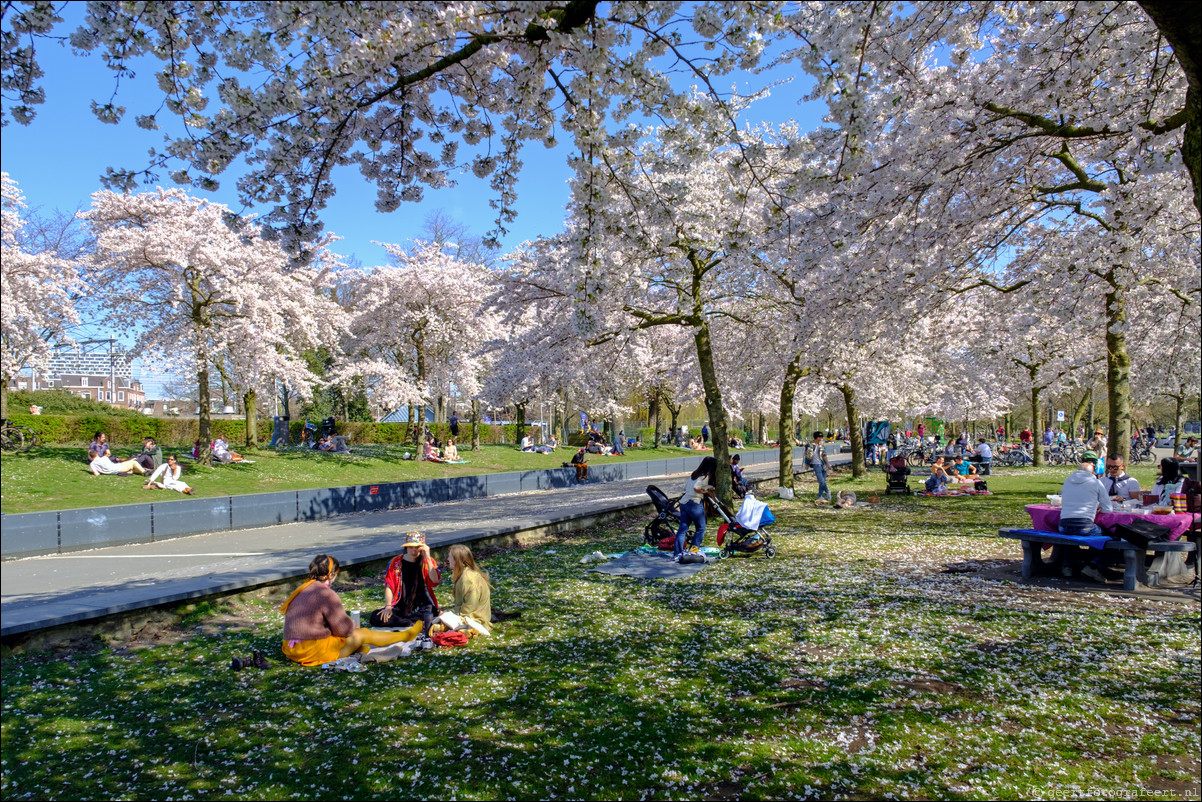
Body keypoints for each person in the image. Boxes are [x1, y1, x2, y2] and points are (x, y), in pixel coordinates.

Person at [281, 554, 422, 666]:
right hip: (311, 650)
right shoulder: (326, 594)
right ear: (331, 575)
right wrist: (351, 628)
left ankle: (358, 647)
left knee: (355, 639)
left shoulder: (303, 589)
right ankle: (406, 636)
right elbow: (344, 630)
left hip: (291, 649)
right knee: (363, 634)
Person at [371, 532, 442, 635]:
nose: (414, 550)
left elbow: (435, 581)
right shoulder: (396, 562)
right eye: (410, 547)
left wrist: (427, 557)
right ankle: (410, 623)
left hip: (423, 606)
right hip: (401, 606)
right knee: (375, 617)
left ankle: (413, 622)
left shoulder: (428, 561)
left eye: (417, 547)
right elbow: (389, 586)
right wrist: (388, 606)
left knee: (429, 612)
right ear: (406, 548)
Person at [1057, 451, 1113, 581]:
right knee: (1110, 537)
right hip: (1085, 526)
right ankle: (1093, 565)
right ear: (1092, 472)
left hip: (1063, 526)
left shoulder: (1067, 481)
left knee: (1069, 537)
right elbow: (1108, 509)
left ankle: (1067, 565)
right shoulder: (1096, 483)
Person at [674, 456, 716, 562]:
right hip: (694, 503)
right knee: (700, 528)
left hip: (684, 502)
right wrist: (706, 492)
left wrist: (706, 488)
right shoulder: (704, 476)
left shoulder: (694, 474)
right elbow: (696, 488)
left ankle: (677, 553)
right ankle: (693, 550)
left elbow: (689, 486)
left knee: (683, 529)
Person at [445, 544, 491, 634]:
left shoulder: (468, 579)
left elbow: (469, 608)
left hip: (476, 621)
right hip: (468, 616)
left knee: (437, 625)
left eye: (450, 557)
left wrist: (449, 614)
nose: (447, 559)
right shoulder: (464, 574)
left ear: (457, 560)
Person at [807, 431, 831, 502]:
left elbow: (824, 455)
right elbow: (806, 454)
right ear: (818, 438)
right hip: (816, 465)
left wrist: (828, 464)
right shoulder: (810, 445)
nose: (822, 439)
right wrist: (807, 464)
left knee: (822, 481)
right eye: (821, 437)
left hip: (823, 464)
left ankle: (820, 496)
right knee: (821, 481)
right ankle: (827, 491)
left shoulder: (822, 445)